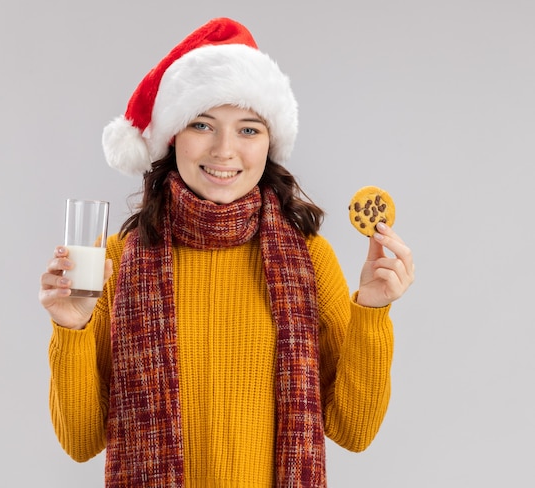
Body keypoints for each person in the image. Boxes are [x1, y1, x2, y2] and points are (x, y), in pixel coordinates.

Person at [39, 17, 414, 488]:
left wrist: (373, 311)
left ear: (269, 143)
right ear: (173, 136)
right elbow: (79, 442)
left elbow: (353, 432)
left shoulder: (310, 259)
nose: (224, 150)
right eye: (202, 124)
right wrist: (70, 326)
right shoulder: (114, 262)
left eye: (248, 129)